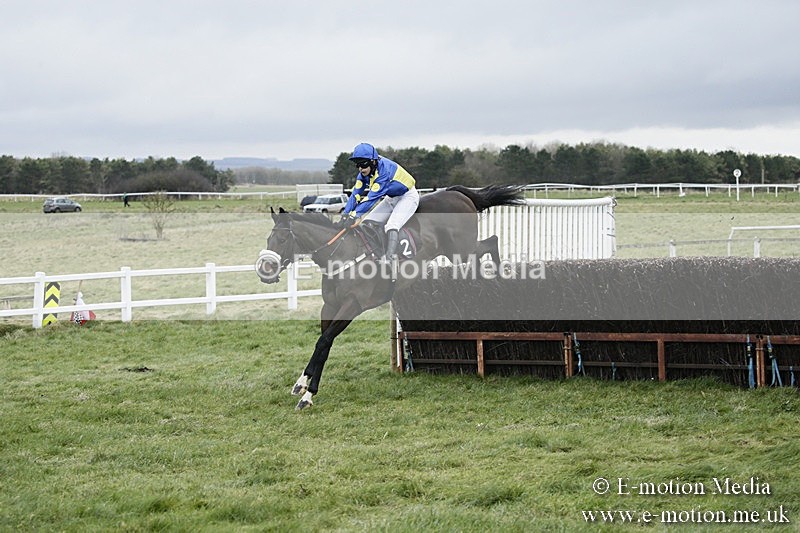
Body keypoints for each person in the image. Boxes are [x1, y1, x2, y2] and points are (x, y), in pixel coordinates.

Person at [337, 143, 419, 261]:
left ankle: (391, 259)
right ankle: (376, 253)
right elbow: (356, 194)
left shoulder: (383, 173)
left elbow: (370, 199)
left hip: (407, 197)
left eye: (363, 164)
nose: (360, 168)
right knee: (367, 222)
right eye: (358, 165)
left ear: (373, 161)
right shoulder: (364, 173)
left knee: (392, 225)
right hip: (391, 198)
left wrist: (354, 215)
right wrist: (345, 214)